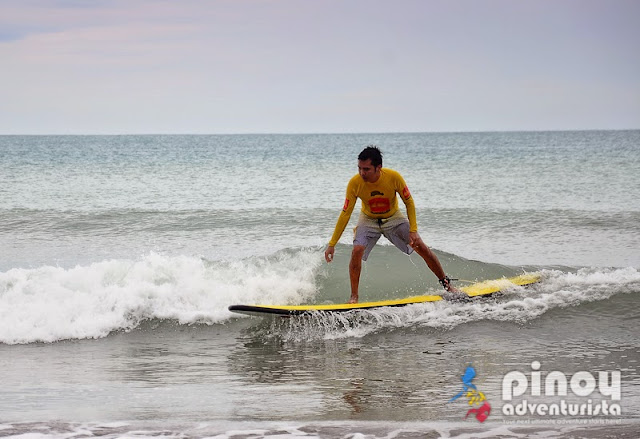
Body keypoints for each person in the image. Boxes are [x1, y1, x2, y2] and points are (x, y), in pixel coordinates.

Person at [324, 145, 459, 303]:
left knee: (421, 247)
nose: (362, 173)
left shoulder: (393, 177)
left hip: (393, 217)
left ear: (378, 168)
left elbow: (408, 202)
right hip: (368, 219)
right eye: (359, 168)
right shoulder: (355, 183)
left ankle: (447, 284)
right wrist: (332, 243)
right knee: (357, 250)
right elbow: (345, 212)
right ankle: (354, 297)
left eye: (366, 169)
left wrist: (413, 230)